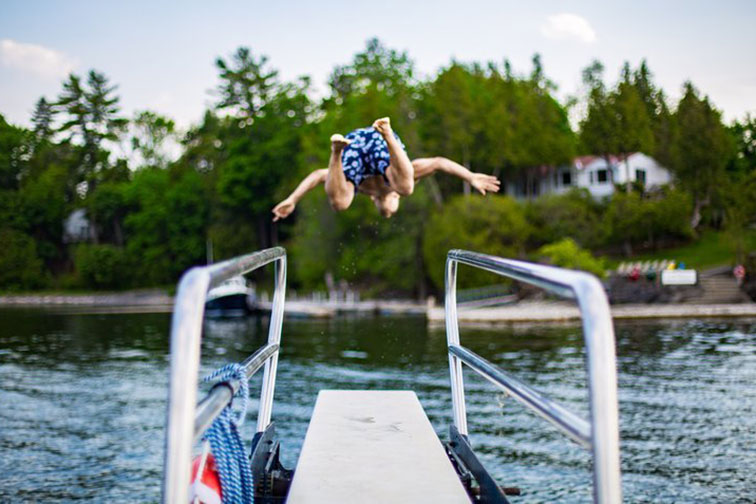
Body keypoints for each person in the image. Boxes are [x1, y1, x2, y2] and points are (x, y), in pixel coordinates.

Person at [272, 117, 500, 221]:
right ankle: (372, 138)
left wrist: (293, 199)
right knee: (406, 185)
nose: (389, 205)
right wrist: (469, 177)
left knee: (342, 203)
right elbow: (439, 163)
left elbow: (317, 176)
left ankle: (339, 150)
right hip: (369, 142)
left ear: (374, 200)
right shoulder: (400, 179)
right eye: (392, 207)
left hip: (356, 147)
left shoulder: (364, 189)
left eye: (386, 207)